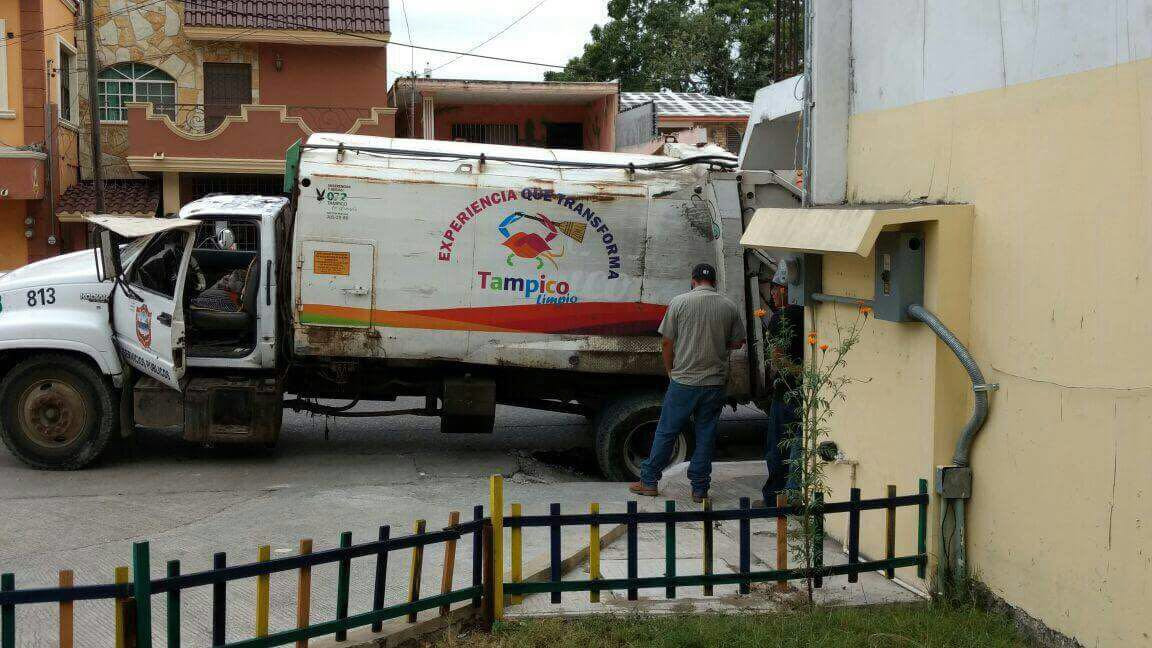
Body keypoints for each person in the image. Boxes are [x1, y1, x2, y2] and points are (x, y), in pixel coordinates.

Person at [629, 263, 746, 503]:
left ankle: (649, 481)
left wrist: (670, 370)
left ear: (693, 280)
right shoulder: (729, 306)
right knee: (706, 435)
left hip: (683, 381)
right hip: (714, 383)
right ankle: (699, 489)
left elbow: (667, 342)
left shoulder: (679, 303)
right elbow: (738, 342)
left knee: (667, 430)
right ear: (714, 282)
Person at [762, 282, 804, 505]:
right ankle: (794, 493)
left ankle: (774, 498)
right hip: (806, 391)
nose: (772, 293)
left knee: (779, 446)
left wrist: (797, 372)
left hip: (786, 391)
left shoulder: (781, 318)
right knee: (799, 444)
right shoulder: (810, 313)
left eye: (775, 288)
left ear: (786, 289)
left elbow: (777, 357)